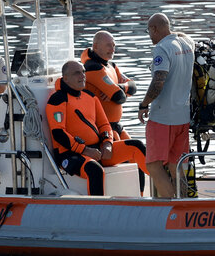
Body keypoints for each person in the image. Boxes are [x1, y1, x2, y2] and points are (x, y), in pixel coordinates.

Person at [46, 60, 148, 195]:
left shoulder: (90, 96)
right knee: (95, 170)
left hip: (97, 149)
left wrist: (107, 144)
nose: (82, 76)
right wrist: (84, 150)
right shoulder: (57, 99)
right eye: (77, 73)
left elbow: (104, 124)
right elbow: (58, 133)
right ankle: (98, 209)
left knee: (137, 146)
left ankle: (154, 192)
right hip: (70, 155)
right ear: (65, 78)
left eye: (83, 72)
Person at [137, 13, 195, 199]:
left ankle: (172, 204)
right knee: (176, 164)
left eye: (149, 31)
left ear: (154, 29)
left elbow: (158, 81)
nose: (149, 36)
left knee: (153, 165)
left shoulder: (162, 49)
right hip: (182, 117)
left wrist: (144, 104)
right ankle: (185, 203)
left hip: (163, 117)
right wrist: (169, 31)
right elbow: (182, 35)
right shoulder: (188, 44)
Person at [81, 30, 137, 140]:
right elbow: (118, 96)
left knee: (140, 151)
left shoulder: (111, 66)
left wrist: (120, 87)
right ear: (96, 47)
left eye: (113, 45)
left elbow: (133, 87)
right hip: (102, 129)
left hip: (115, 125)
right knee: (136, 148)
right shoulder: (93, 68)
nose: (112, 49)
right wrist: (121, 90)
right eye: (108, 45)